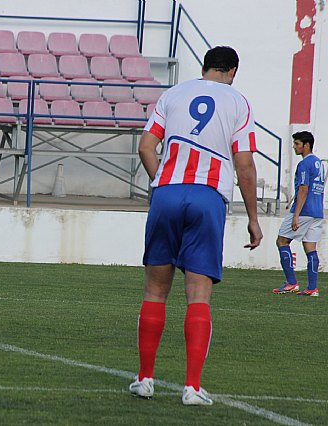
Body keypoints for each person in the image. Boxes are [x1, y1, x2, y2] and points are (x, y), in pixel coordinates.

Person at [129, 46, 263, 405]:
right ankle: (191, 387)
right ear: (233, 70)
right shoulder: (237, 102)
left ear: (204, 67)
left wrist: (164, 182)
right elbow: (245, 163)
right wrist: (252, 217)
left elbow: (145, 147)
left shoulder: (172, 94)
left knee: (156, 291)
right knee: (198, 295)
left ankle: (144, 380)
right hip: (207, 198)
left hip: (167, 194)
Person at [273, 131, 324, 297]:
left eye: (297, 144)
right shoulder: (319, 163)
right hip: (317, 212)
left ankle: (291, 283)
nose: (294, 147)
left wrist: (296, 215)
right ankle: (312, 288)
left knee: (282, 241)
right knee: (310, 248)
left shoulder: (304, 164)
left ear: (306, 145)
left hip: (304, 210)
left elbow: (303, 189)